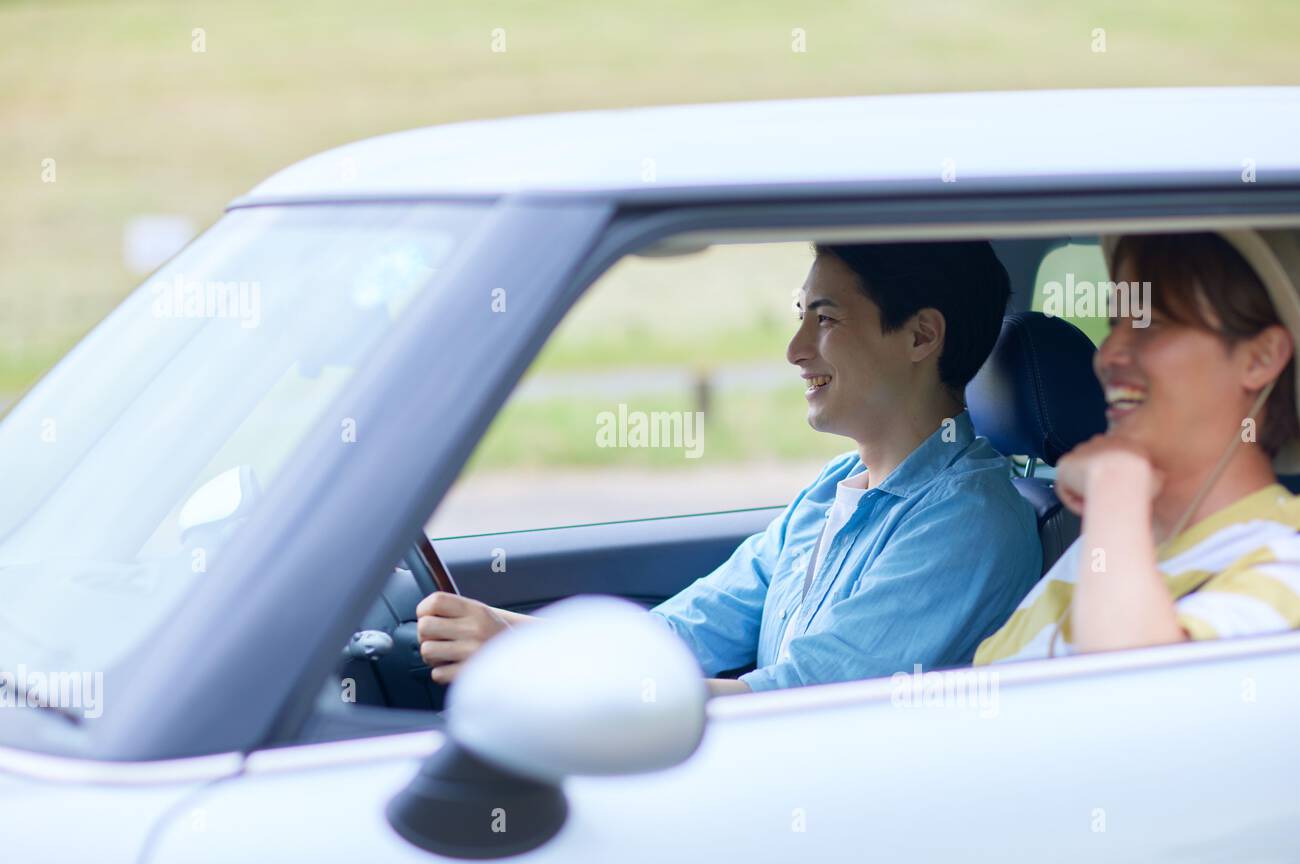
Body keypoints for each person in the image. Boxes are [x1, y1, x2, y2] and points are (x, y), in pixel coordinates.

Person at [418, 241, 1041, 693]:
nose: (796, 351)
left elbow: (799, 705)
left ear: (920, 338)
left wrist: (532, 661)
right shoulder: (832, 491)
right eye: (801, 316)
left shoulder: (970, 523)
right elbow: (683, 634)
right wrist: (508, 633)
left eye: (824, 320)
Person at [975, 230, 1300, 664]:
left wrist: (1114, 488)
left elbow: (1133, 705)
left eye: (1152, 323)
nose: (1106, 355)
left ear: (1259, 359)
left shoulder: (1283, 561)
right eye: (1116, 324)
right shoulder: (1119, 541)